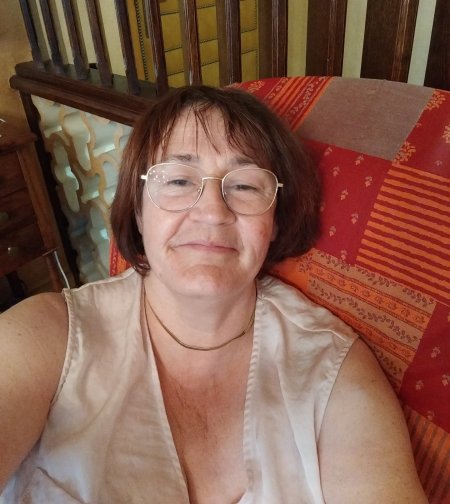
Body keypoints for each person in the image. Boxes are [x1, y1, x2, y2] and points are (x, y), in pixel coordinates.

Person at [0, 85, 427, 503]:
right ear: (139, 212)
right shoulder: (46, 336)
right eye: (179, 180)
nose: (211, 212)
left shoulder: (331, 369)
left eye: (244, 186)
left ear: (275, 222)